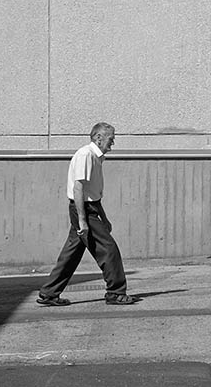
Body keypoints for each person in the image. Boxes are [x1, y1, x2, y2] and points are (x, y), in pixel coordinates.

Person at [36, 122, 137, 306]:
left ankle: (49, 293)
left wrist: (104, 218)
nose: (112, 144)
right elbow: (78, 188)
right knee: (109, 249)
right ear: (98, 138)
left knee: (72, 253)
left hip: (89, 208)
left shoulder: (96, 157)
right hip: (82, 209)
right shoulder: (86, 155)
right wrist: (83, 220)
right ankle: (115, 292)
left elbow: (94, 194)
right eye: (110, 140)